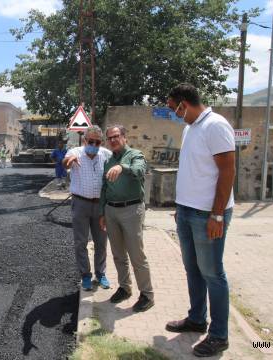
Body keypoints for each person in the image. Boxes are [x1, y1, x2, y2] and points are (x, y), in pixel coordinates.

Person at [165, 84, 235, 357]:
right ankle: (196, 319)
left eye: (173, 108)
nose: (173, 113)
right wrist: (181, 205)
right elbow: (194, 170)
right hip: (187, 211)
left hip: (208, 215)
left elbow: (227, 171)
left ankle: (219, 336)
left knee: (213, 274)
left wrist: (217, 214)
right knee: (193, 269)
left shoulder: (216, 126)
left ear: (184, 103)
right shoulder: (190, 128)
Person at [99, 125, 154, 312]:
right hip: (111, 211)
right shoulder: (108, 161)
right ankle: (124, 288)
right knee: (118, 254)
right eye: (110, 138)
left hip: (132, 210)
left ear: (124, 137)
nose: (113, 140)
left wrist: (122, 167)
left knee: (136, 255)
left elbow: (139, 171)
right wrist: (102, 213)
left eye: (116, 136)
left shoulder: (135, 155)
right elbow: (104, 188)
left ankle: (147, 294)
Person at [63, 126, 112, 291]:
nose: (94, 145)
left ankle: (101, 274)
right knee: (80, 242)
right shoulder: (76, 152)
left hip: (100, 206)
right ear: (85, 140)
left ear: (101, 143)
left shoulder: (106, 154)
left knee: (101, 242)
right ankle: (85, 275)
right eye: (90, 141)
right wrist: (68, 162)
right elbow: (66, 161)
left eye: (97, 142)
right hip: (80, 204)